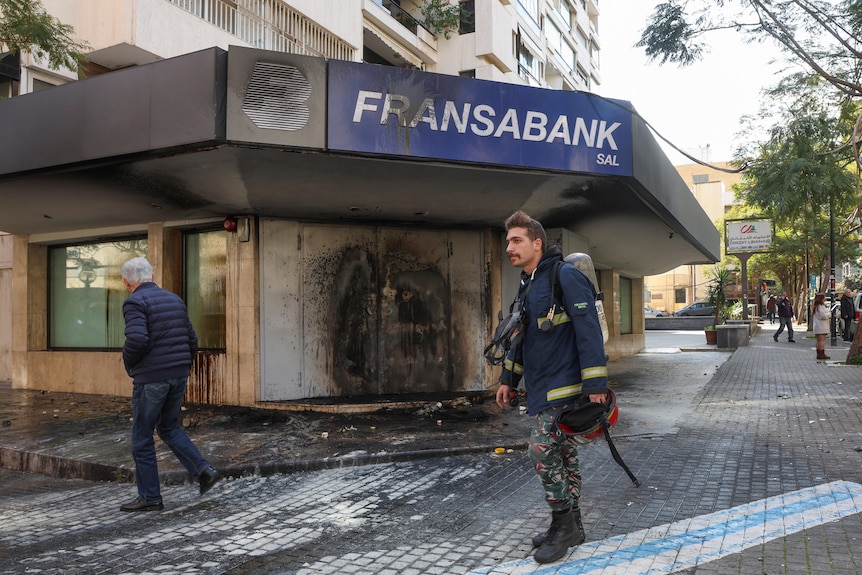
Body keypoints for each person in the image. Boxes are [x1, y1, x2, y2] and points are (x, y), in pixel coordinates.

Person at [495, 211, 609, 564]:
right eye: (508, 240)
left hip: (568, 390)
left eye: (517, 240)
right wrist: (507, 379)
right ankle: (572, 524)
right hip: (542, 391)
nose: (510, 247)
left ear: (537, 243)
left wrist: (595, 384)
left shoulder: (566, 276)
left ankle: (562, 525)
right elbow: (521, 338)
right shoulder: (528, 284)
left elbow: (589, 331)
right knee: (564, 455)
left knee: (541, 450)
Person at [119, 257, 219, 512]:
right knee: (168, 427)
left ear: (125, 282)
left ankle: (150, 497)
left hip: (151, 378)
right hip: (177, 375)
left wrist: (130, 364)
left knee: (142, 437)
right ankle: (203, 470)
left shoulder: (134, 302)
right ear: (152, 277)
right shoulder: (174, 299)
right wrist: (182, 366)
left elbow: (137, 339)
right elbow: (192, 338)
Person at [812, 293, 831, 360]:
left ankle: (819, 353)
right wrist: (829, 314)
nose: (825, 298)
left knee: (818, 341)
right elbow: (823, 316)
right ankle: (821, 354)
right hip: (821, 326)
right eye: (824, 297)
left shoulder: (817, 307)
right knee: (822, 341)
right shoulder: (820, 307)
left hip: (818, 326)